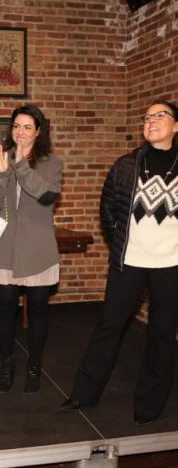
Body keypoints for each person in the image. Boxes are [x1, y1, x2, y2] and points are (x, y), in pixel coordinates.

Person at [60, 100, 178, 425]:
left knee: (161, 334)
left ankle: (149, 405)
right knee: (108, 327)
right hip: (130, 263)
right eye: (147, 117)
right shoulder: (126, 165)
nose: (151, 121)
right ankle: (83, 394)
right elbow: (108, 209)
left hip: (171, 266)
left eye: (160, 116)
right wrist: (122, 244)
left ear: (176, 126)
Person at [0, 104, 63, 394]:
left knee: (39, 310)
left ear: (38, 131)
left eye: (27, 127)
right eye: (16, 126)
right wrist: (3, 173)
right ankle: (7, 364)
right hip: (5, 247)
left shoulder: (52, 162)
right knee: (5, 310)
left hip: (38, 249)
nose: (20, 132)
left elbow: (46, 196)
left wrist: (18, 165)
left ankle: (34, 366)